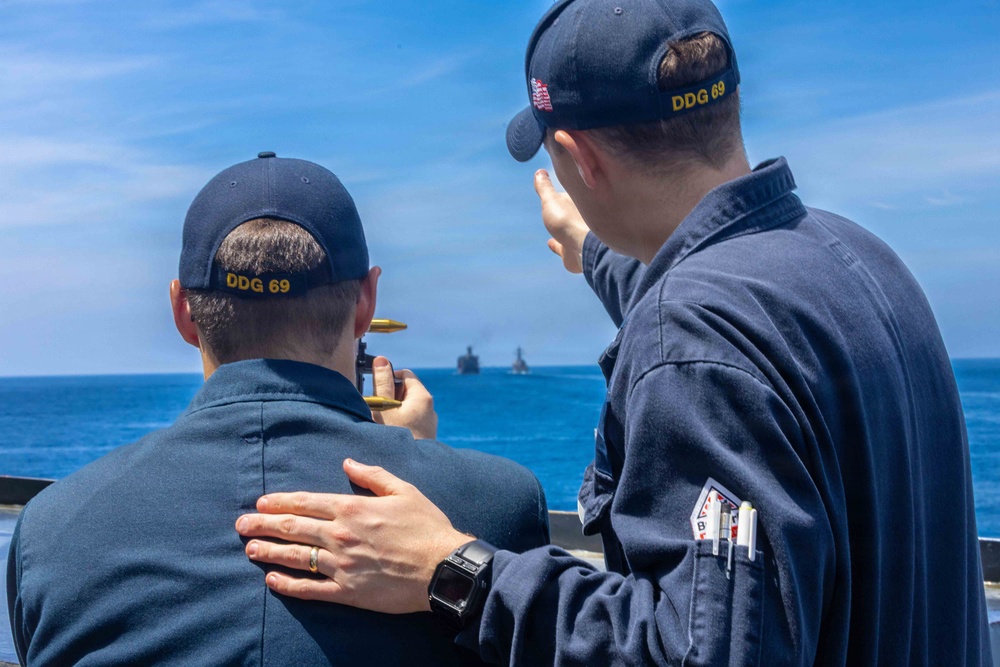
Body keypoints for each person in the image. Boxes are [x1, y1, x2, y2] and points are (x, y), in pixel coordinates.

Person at [234, 1, 991, 665]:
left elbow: (700, 651)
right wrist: (593, 252)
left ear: (577, 157)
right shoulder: (857, 259)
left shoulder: (690, 336)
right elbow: (724, 318)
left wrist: (451, 572)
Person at [5, 153, 550, 666]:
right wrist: (421, 464)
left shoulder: (52, 529)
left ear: (182, 311)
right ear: (366, 302)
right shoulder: (501, 503)